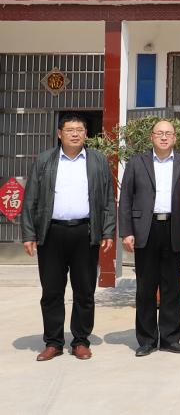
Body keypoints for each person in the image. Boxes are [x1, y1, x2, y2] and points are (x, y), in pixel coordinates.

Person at [20, 113, 115, 361]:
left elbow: (107, 198)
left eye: (79, 130)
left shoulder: (97, 160)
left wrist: (108, 230)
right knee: (52, 290)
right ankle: (53, 342)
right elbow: (31, 199)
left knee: (85, 290)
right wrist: (29, 233)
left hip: (85, 232)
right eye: (70, 130)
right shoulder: (45, 160)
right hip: (51, 232)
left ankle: (81, 341)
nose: (75, 134)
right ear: (59, 134)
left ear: (86, 134)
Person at [119, 119, 180, 356]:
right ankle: (147, 340)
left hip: (173, 229)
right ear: (151, 137)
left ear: (175, 138)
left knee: (172, 287)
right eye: (159, 133)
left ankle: (171, 339)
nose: (164, 137)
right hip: (146, 229)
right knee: (146, 287)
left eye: (168, 133)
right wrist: (127, 231)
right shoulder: (136, 162)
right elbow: (126, 198)